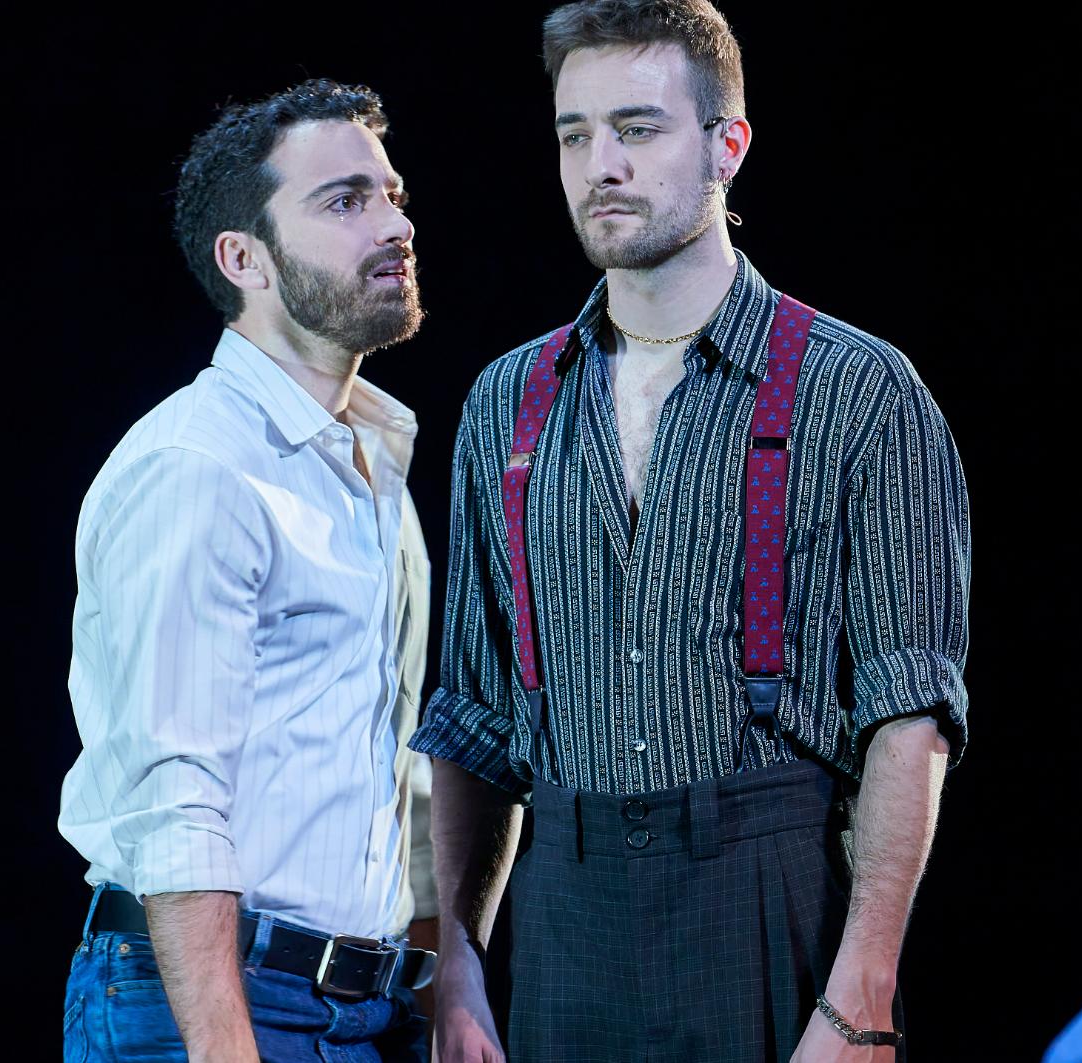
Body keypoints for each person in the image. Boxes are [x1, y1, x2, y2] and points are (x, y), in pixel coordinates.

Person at [411, 3, 974, 1060]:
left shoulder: (857, 390)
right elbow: (474, 717)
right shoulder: (507, 404)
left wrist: (862, 990)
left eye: (638, 128)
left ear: (728, 144)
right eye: (574, 135)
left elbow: (908, 712)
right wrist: (460, 964)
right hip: (564, 908)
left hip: (766, 897)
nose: (601, 166)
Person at [58, 79, 439, 1063]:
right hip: (206, 1003)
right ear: (244, 259)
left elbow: (390, 770)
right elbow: (174, 794)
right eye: (344, 201)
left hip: (362, 1008)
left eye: (391, 195)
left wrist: (440, 980)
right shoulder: (201, 464)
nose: (393, 225)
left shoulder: (371, 467)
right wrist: (225, 1044)